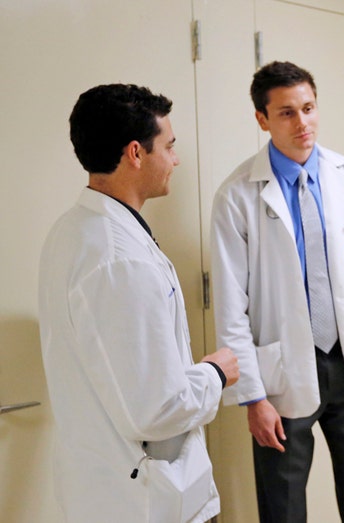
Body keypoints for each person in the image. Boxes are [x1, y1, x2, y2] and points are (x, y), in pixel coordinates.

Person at [37, 84, 240, 522]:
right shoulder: (119, 259)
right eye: (168, 146)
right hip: (143, 499)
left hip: (109, 486)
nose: (175, 159)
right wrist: (215, 374)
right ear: (135, 153)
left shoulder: (74, 231)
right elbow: (156, 410)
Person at [211, 61, 344, 523]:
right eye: (287, 113)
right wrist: (252, 397)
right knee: (283, 504)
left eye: (308, 108)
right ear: (262, 119)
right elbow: (232, 309)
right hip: (283, 373)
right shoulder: (236, 196)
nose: (302, 123)